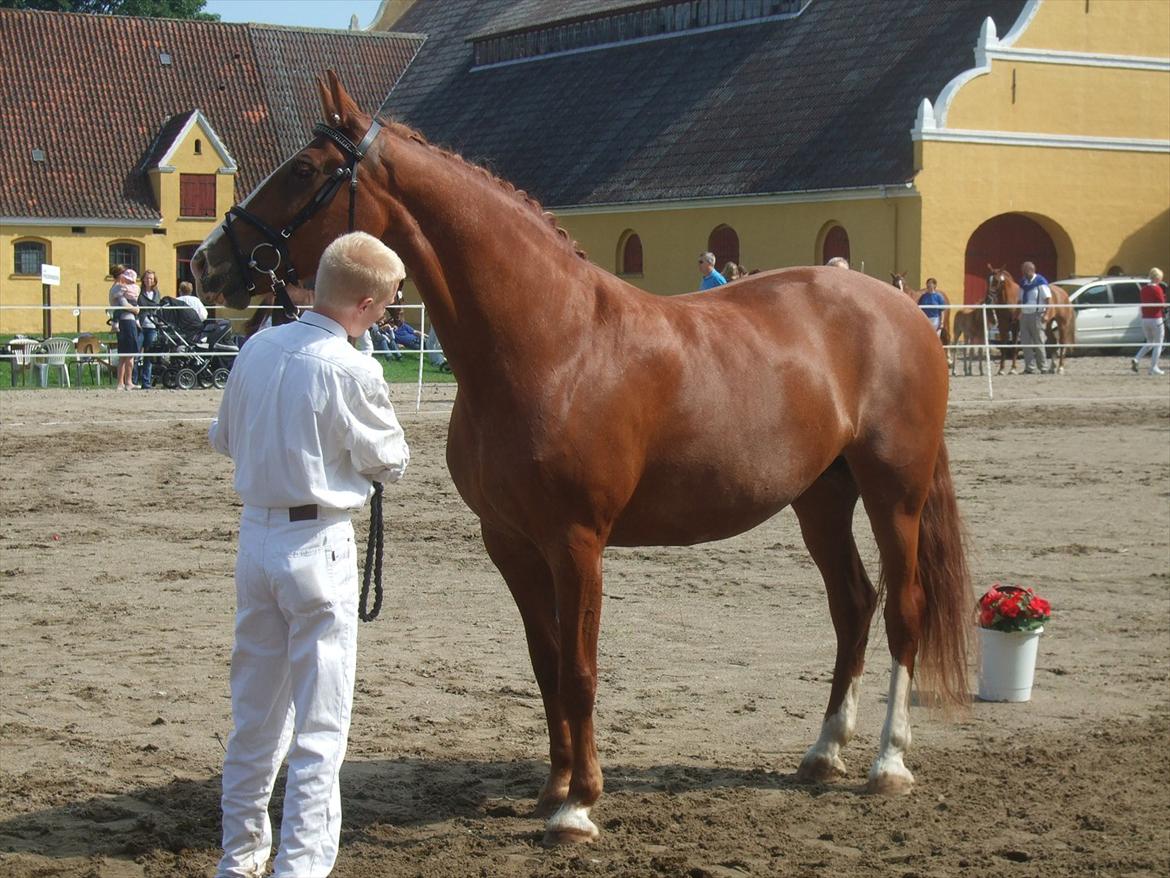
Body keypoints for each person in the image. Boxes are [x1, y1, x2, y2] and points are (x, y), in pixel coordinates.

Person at [208, 231, 410, 878]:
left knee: (255, 717)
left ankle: (239, 857)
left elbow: (224, 438)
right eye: (387, 303)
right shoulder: (352, 367)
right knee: (320, 726)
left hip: (257, 535)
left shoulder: (257, 347)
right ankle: (300, 867)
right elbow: (390, 460)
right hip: (318, 541)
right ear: (366, 304)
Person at [108, 267, 140, 390]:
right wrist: (136, 309)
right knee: (128, 354)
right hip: (127, 322)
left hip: (125, 322)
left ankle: (124, 382)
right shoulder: (120, 288)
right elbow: (124, 304)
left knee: (125, 354)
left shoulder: (119, 288)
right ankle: (125, 382)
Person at [1017, 261, 1051, 374]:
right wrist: (1019, 312)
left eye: (1024, 271)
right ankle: (1029, 367)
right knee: (1025, 342)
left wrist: (1046, 314)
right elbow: (1020, 299)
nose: (1022, 273)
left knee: (1038, 341)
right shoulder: (1023, 283)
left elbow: (1048, 299)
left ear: (1030, 270)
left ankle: (1043, 367)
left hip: (1037, 315)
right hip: (1024, 315)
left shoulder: (1040, 282)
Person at [1132, 267, 1166, 376]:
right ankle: (1153, 367)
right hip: (1156, 318)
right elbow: (1162, 303)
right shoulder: (1157, 289)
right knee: (1158, 343)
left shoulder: (1143, 289)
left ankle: (1137, 358)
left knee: (1149, 342)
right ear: (1157, 278)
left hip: (1145, 319)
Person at [136, 269, 161, 388]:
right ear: (143, 280)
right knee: (136, 354)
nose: (148, 280)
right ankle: (133, 381)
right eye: (146, 278)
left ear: (154, 280)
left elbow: (157, 306)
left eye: (151, 278)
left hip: (152, 326)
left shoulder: (157, 293)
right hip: (140, 326)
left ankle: (146, 382)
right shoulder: (139, 292)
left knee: (149, 356)